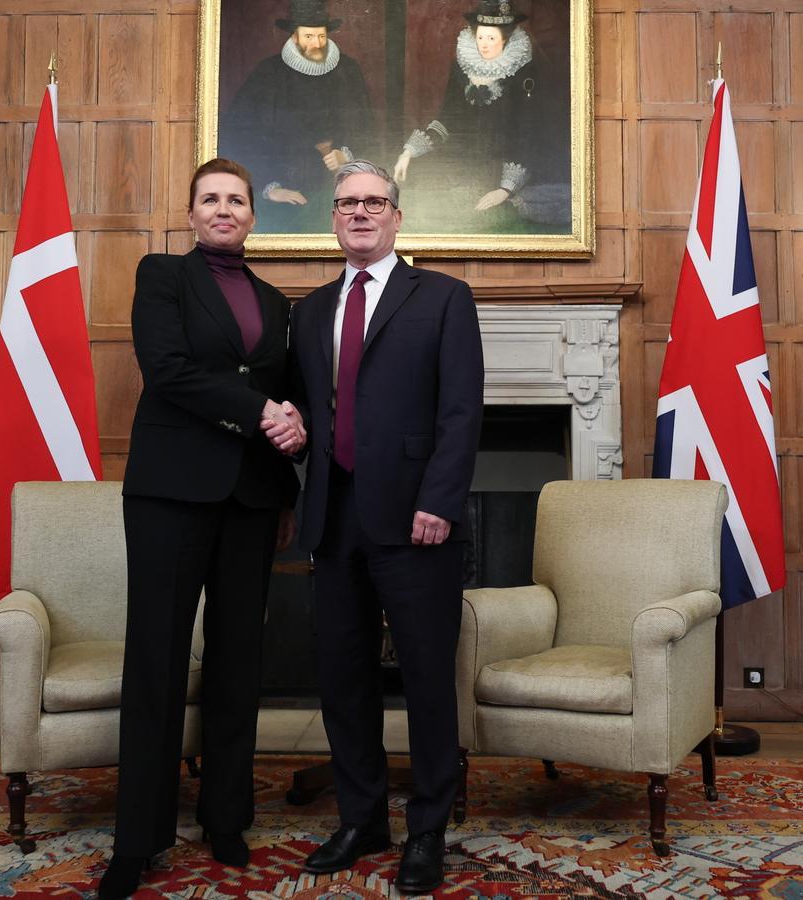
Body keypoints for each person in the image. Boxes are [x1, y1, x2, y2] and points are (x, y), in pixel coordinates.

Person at [265, 160, 483, 895]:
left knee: (426, 680)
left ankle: (427, 831)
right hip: (335, 516)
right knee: (344, 678)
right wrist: (291, 424)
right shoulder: (309, 312)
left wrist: (440, 501)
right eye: (347, 203)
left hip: (418, 519)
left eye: (374, 202)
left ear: (396, 216)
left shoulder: (444, 297)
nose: (360, 212)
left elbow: (462, 410)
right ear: (333, 218)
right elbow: (306, 405)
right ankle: (362, 820)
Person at [97, 159, 303, 900]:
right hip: (170, 494)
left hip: (251, 500)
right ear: (190, 214)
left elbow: (285, 397)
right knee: (156, 659)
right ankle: (138, 838)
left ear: (253, 216)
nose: (223, 209)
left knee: (238, 661)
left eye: (236, 200)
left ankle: (226, 818)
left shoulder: (276, 302)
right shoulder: (163, 276)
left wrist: (287, 481)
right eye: (210, 198)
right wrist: (262, 412)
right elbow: (169, 372)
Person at [394, 0, 569, 228]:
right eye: (480, 37)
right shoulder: (462, 69)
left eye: (491, 38)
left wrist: (506, 189)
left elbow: (529, 134)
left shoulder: (525, 74)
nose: (484, 45)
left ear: (505, 40)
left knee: (496, 218)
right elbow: (447, 120)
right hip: (466, 162)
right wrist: (408, 152)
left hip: (509, 166)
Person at [219, 0, 372, 232]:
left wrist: (346, 155)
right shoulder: (268, 73)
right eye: (309, 36)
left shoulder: (348, 71)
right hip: (282, 195)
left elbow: (368, 129)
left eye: (321, 36)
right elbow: (239, 136)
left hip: (336, 193)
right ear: (294, 37)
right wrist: (270, 189)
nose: (317, 44)